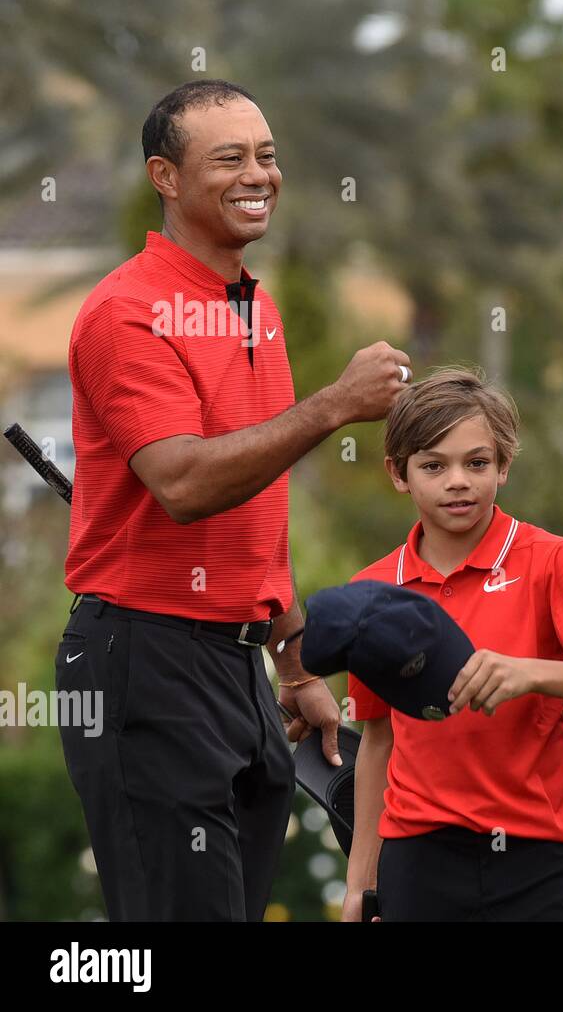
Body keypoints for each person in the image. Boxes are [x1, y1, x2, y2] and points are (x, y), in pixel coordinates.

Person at [56, 79, 413, 921]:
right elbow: (183, 484)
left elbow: (256, 505)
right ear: (166, 177)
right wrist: (332, 405)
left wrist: (291, 664)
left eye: (267, 155)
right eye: (229, 159)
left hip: (237, 665)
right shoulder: (126, 313)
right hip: (144, 662)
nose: (258, 175)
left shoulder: (255, 305)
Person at [343, 367, 563, 922]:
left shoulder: (552, 559)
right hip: (419, 859)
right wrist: (359, 885)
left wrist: (531, 673)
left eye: (477, 463)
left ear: (504, 465)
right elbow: (376, 738)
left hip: (541, 857)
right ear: (399, 473)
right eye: (433, 466)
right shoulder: (370, 592)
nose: (457, 480)